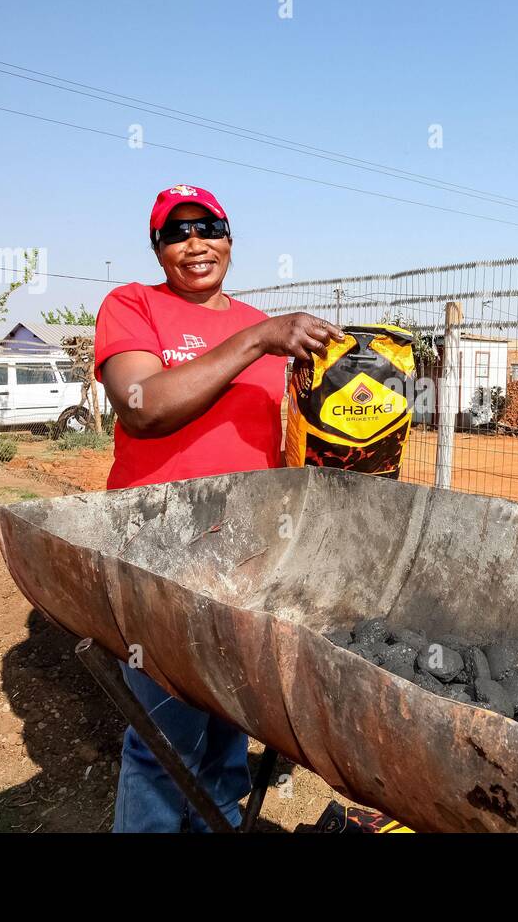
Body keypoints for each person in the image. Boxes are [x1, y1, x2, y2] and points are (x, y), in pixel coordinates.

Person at [94, 183, 342, 832]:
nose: (195, 242)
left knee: (232, 720)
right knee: (162, 736)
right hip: (161, 551)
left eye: (208, 226)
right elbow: (143, 407)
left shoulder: (264, 328)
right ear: (157, 248)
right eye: (176, 233)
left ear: (230, 237)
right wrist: (257, 341)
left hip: (249, 553)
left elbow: (287, 439)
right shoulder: (133, 305)